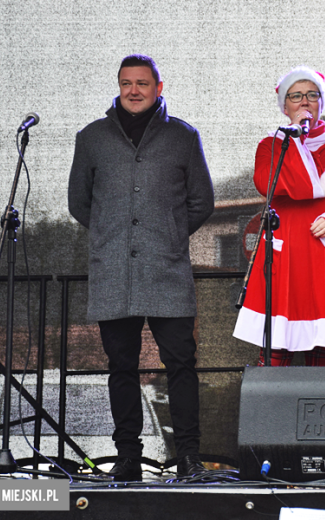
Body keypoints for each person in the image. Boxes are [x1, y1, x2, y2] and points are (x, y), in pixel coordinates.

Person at [68, 54, 214, 481]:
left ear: (158, 88)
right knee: (121, 368)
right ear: (118, 85)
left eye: (143, 84)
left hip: (167, 271)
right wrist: (117, 237)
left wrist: (166, 234)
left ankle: (188, 457)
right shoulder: (91, 138)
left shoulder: (183, 136)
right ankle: (128, 458)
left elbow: (201, 201)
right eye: (126, 83)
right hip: (113, 272)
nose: (134, 90)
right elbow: (79, 202)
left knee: (182, 365)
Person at [233, 66, 325, 366]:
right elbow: (268, 184)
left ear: (321, 103)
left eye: (312, 95)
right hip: (285, 261)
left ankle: (318, 410)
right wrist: (295, 141)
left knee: (322, 352)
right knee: (274, 351)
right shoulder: (271, 145)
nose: (304, 102)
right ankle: (270, 412)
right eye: (295, 96)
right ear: (285, 107)